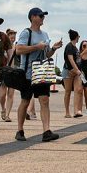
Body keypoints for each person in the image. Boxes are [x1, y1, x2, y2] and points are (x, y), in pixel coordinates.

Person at [14, 7, 63, 142]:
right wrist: (36, 47)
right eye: (41, 16)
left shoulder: (45, 34)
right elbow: (18, 50)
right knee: (25, 101)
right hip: (28, 73)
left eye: (43, 16)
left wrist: (53, 48)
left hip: (42, 72)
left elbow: (46, 54)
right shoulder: (26, 33)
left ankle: (46, 131)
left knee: (44, 100)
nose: (43, 18)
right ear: (33, 17)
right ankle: (19, 130)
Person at [62, 29, 84, 118]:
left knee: (78, 90)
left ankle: (76, 111)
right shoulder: (69, 46)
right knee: (68, 91)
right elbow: (70, 60)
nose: (79, 38)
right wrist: (76, 69)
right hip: (68, 71)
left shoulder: (75, 47)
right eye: (78, 36)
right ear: (76, 37)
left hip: (76, 72)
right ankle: (67, 112)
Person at [0, 28, 18, 122]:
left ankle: (7, 115)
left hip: (13, 71)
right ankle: (3, 108)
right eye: (10, 35)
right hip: (4, 71)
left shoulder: (17, 46)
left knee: (11, 94)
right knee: (2, 95)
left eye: (14, 35)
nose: (12, 36)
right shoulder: (3, 47)